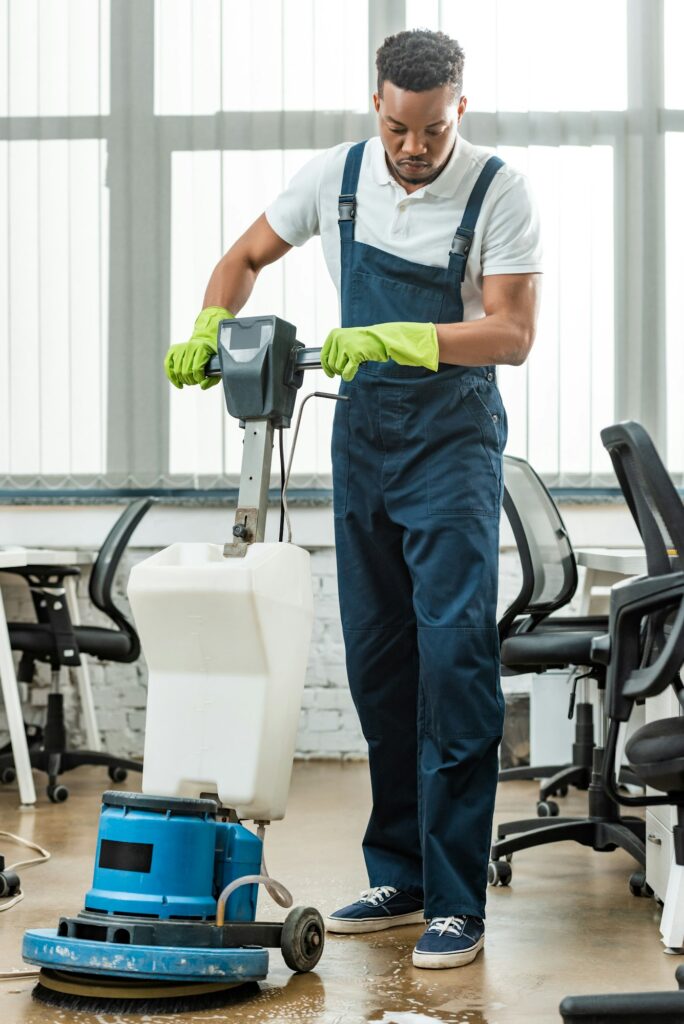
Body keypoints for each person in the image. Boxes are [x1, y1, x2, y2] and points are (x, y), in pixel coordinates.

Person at [165, 28, 542, 971]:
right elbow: (244, 256)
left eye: (430, 129)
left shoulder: (500, 188)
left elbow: (512, 332)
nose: (411, 149)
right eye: (397, 128)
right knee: (379, 665)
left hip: (452, 445)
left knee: (454, 663)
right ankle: (401, 873)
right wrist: (213, 318)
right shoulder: (335, 177)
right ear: (375, 104)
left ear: (462, 104)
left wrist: (403, 338)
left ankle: (458, 901)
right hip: (363, 442)